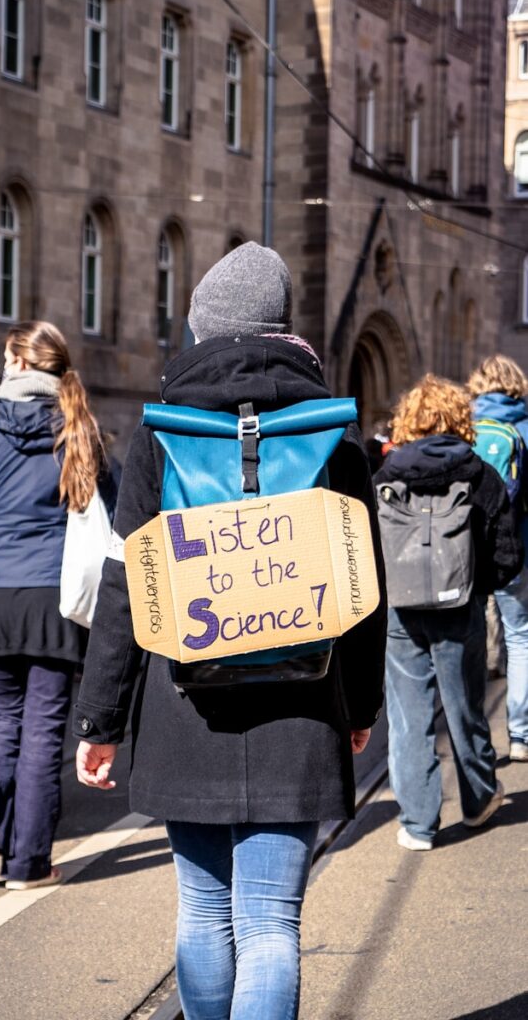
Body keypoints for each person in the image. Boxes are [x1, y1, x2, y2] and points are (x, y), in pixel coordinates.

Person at [74, 242, 387, 1019]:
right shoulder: (331, 434)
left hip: (187, 698)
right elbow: (364, 591)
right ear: (283, 328)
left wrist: (100, 720)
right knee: (271, 919)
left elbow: (123, 586)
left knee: (205, 911)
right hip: (303, 696)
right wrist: (361, 707)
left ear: (201, 328)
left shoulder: (161, 431)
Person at [0, 320, 110, 890]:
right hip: (51, 600)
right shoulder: (78, 426)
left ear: (17, 363)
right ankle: (29, 863)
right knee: (41, 732)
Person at [374, 375, 523, 852]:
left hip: (401, 609)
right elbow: (504, 552)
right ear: (462, 418)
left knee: (407, 714)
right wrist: (484, 589)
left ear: (408, 420)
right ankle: (478, 799)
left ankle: (418, 823)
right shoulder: (479, 472)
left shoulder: (387, 474)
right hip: (461, 607)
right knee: (464, 708)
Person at [468, 354, 528, 761]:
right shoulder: (524, 427)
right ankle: (520, 736)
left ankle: (475, 744)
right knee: (520, 637)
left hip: (469, 549)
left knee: (470, 637)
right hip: (518, 550)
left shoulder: (465, 426)